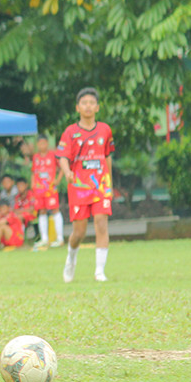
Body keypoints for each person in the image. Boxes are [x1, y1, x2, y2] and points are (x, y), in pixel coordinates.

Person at [57, 87, 115, 283]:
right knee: (79, 232)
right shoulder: (70, 132)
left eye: (92, 103)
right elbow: (63, 157)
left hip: (100, 185)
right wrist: (67, 172)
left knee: (101, 223)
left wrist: (110, 184)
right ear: (77, 107)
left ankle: (99, 271)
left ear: (97, 107)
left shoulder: (105, 130)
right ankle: (71, 258)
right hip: (79, 187)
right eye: (84, 103)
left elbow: (107, 157)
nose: (88, 106)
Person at [30, 135, 65, 248]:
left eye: (44, 143)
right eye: (40, 144)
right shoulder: (35, 157)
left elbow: (63, 167)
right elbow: (33, 171)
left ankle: (60, 238)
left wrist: (58, 180)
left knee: (55, 210)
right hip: (39, 189)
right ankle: (44, 238)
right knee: (42, 211)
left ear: (47, 143)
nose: (42, 146)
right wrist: (33, 183)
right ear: (37, 145)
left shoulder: (53, 155)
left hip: (50, 189)